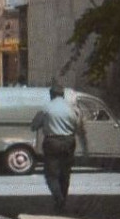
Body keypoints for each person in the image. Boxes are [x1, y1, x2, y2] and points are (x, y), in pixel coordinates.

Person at [30, 82, 86, 212]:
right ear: (63, 95)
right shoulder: (73, 109)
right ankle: (63, 201)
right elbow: (80, 128)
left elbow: (34, 126)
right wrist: (85, 148)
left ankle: (58, 199)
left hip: (52, 142)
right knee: (65, 173)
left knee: (51, 174)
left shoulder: (46, 108)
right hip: (69, 142)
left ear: (51, 95)